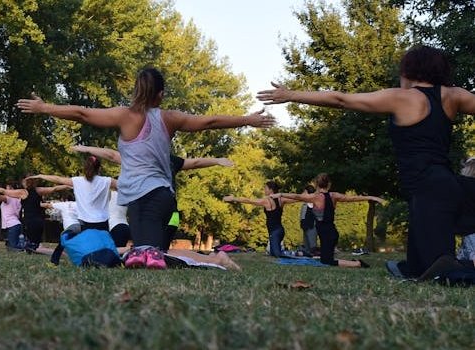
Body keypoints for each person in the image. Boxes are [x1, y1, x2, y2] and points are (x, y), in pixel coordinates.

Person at [18, 70, 272, 269]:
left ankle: (217, 260)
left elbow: (82, 114)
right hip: (162, 197)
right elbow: (210, 121)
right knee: (146, 253)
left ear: (136, 90)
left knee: (151, 255)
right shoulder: (169, 117)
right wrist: (247, 120)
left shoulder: (124, 116)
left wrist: (45, 108)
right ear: (160, 94)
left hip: (145, 199)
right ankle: (212, 259)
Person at [258, 45, 475, 277]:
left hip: (427, 192)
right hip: (448, 186)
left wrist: (291, 95)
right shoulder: (455, 95)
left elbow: (341, 99)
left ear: (409, 71)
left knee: (441, 272)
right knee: (419, 268)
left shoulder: (402, 97)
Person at [71, 144, 234, 248]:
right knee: (160, 240)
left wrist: (87, 149)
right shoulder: (168, 160)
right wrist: (216, 160)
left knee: (159, 239)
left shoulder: (148, 159)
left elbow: (112, 155)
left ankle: (156, 252)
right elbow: (195, 163)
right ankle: (157, 252)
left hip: (156, 210)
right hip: (168, 209)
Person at [273, 173, 384, 268]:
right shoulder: (334, 195)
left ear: (316, 184)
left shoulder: (314, 197)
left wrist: (281, 194)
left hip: (326, 234)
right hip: (331, 232)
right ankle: (354, 263)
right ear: (329, 184)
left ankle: (357, 264)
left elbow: (296, 196)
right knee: (326, 258)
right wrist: (372, 197)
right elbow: (353, 198)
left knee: (326, 261)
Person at [0, 179, 71, 251]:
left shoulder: (22, 193)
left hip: (29, 223)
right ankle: (54, 252)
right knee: (34, 245)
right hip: (39, 222)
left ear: (26, 183)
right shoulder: (39, 190)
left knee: (29, 248)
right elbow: (54, 189)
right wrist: (69, 184)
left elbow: (2, 192)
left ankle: (57, 253)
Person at [223, 181, 297, 258]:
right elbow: (296, 198)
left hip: (275, 232)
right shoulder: (281, 199)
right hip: (279, 231)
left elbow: (249, 200)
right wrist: (305, 197)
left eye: (265, 188)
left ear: (271, 190)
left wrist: (233, 198)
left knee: (277, 255)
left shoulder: (267, 201)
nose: (264, 190)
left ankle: (295, 256)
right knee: (272, 253)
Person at [299, 185, 318, 256]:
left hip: (311, 225)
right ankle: (308, 254)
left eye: (304, 192)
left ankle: (315, 255)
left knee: (312, 243)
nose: (303, 194)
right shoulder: (305, 203)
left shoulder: (313, 202)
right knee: (306, 243)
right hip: (305, 225)